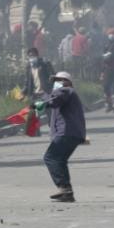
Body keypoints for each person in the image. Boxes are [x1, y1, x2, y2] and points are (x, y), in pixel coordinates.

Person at [41, 71, 87, 202]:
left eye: (60, 80)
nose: (57, 83)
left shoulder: (66, 91)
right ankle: (67, 192)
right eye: (56, 80)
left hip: (66, 132)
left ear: (68, 82)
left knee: (50, 157)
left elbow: (53, 101)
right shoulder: (65, 94)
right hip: (71, 133)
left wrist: (43, 100)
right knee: (60, 160)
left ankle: (64, 188)